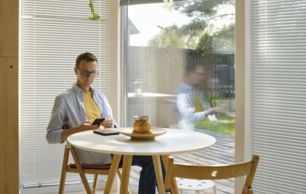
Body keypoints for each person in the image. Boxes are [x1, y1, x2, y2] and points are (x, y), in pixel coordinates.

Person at [46, 52, 161, 194]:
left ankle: (166, 186)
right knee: (152, 160)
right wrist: (78, 129)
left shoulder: (100, 96)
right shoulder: (64, 99)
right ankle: (168, 188)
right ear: (75, 71)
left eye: (93, 73)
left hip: (113, 146)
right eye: (85, 72)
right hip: (94, 153)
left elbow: (115, 127)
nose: (89, 77)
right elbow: (50, 136)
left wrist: (110, 124)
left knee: (156, 155)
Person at [174, 62, 222, 130]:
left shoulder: (196, 89)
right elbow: (190, 117)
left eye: (203, 74)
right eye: (199, 74)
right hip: (193, 132)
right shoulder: (183, 92)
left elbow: (206, 107)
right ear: (190, 74)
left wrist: (214, 112)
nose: (202, 77)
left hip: (205, 127)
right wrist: (210, 111)